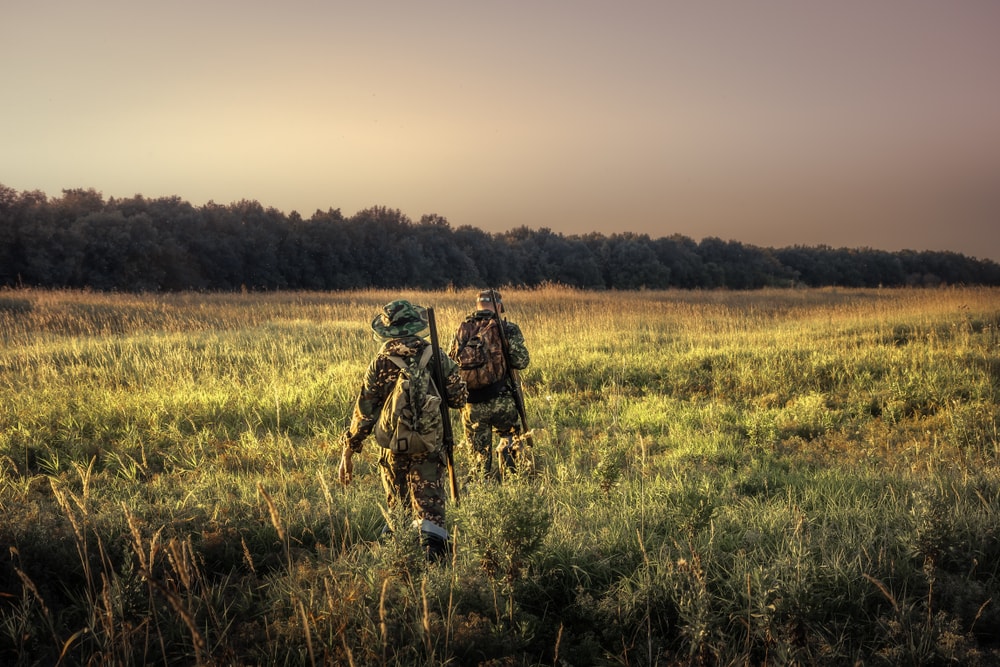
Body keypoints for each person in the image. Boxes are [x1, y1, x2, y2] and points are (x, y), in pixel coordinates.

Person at [338, 299, 467, 562]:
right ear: (416, 325)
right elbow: (458, 398)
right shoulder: (435, 355)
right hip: (430, 447)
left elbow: (364, 414)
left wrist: (348, 452)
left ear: (388, 330)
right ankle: (435, 568)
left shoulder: (380, 362)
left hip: (393, 449)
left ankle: (401, 567)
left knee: (398, 511)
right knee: (431, 514)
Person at [449, 289, 530, 480]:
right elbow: (521, 361)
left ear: (477, 305)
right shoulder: (507, 328)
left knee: (479, 454)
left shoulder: (463, 329)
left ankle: (481, 486)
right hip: (503, 401)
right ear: (499, 306)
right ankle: (512, 483)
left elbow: (451, 365)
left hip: (472, 404)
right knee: (509, 441)